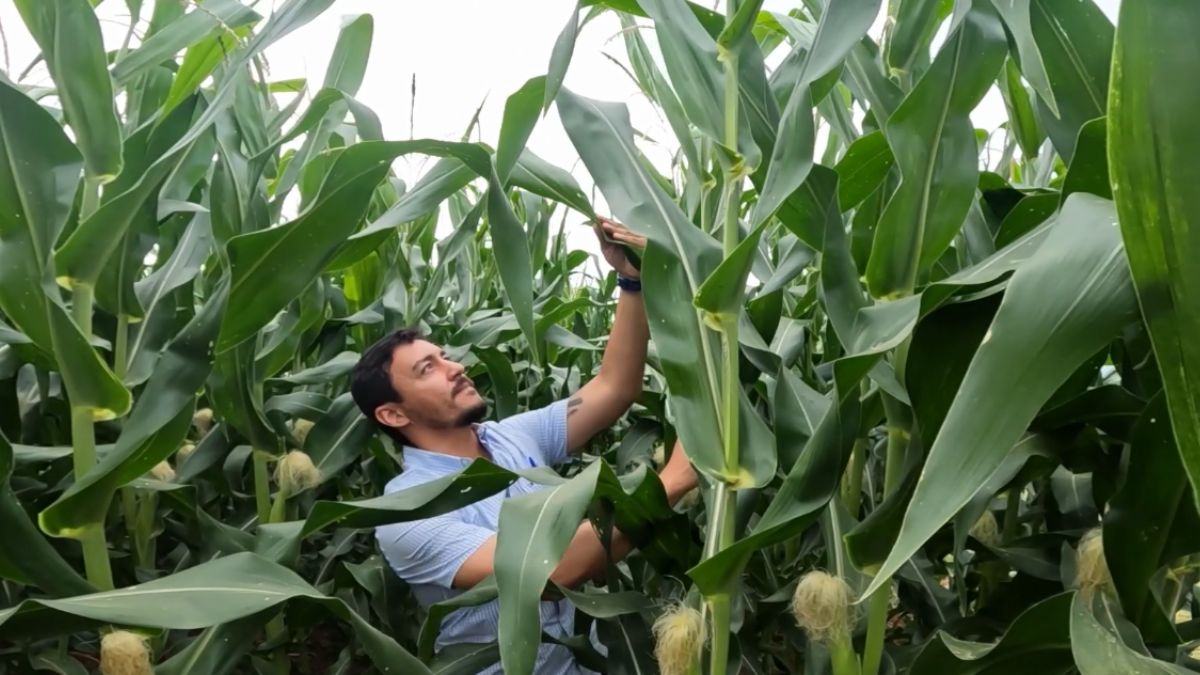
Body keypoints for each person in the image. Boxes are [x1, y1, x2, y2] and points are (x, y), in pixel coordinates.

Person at [349, 218, 699, 674]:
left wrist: (632, 281)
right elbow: (548, 571)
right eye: (427, 369)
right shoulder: (407, 513)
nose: (456, 367)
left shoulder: (510, 437)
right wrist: (671, 483)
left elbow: (613, 387)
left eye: (444, 357)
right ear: (393, 415)